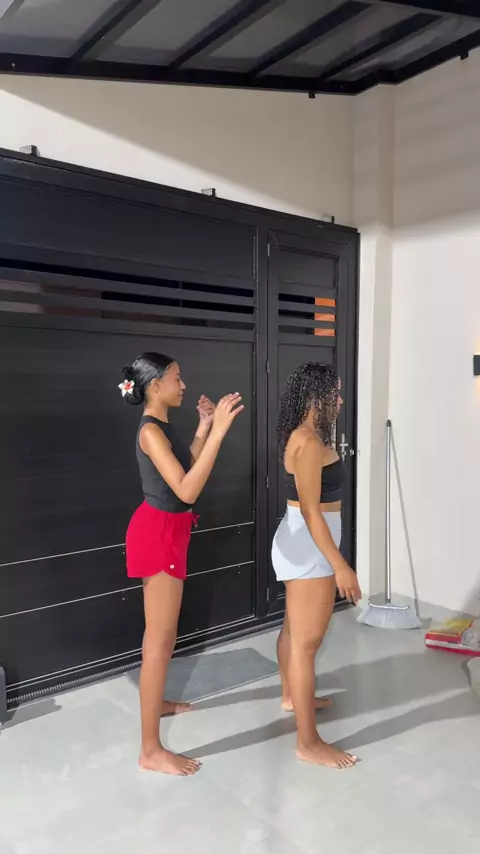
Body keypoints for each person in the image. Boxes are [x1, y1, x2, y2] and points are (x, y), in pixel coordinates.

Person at [120, 352, 243, 776]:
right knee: (158, 640)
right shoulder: (151, 432)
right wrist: (220, 432)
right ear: (155, 386)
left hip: (167, 531)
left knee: (164, 637)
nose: (183, 384)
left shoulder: (161, 427)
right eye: (176, 378)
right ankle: (150, 750)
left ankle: (157, 702)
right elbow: (187, 490)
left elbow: (183, 469)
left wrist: (204, 428)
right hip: (156, 535)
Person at [271, 362, 361, 769]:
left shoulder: (303, 435)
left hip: (303, 541)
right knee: (306, 646)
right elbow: (311, 511)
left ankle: (292, 696)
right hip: (311, 548)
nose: (339, 401)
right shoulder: (307, 441)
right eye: (334, 394)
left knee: (294, 631)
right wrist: (340, 565)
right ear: (315, 397)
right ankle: (308, 743)